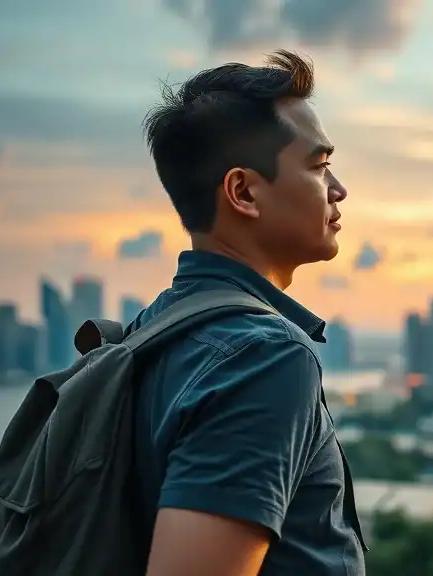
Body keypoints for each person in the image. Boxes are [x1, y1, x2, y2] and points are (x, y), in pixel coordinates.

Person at [132, 50, 367, 576]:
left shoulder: (153, 330)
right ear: (244, 192)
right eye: (319, 166)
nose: (338, 190)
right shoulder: (261, 358)